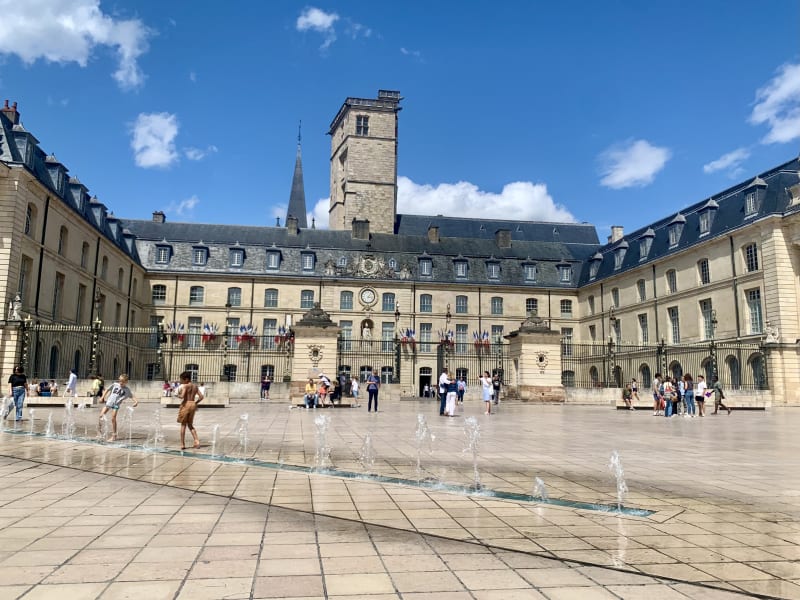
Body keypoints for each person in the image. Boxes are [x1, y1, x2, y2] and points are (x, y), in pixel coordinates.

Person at [98, 374, 138, 441]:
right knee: (101, 416)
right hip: (109, 402)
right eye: (120, 381)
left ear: (126, 382)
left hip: (116, 405)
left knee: (113, 418)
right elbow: (107, 390)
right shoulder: (115, 385)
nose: (121, 383)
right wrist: (102, 397)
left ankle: (114, 435)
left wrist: (136, 402)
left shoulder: (126, 390)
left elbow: (132, 396)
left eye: (122, 381)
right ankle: (99, 432)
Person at [176, 371, 203, 449]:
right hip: (193, 404)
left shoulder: (185, 386)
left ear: (186, 379)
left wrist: (177, 394)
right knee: (190, 424)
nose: (181, 381)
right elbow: (201, 397)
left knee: (183, 424)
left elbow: (182, 396)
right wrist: (195, 403)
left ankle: (182, 444)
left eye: (182, 380)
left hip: (186, 404)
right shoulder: (195, 387)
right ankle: (196, 441)